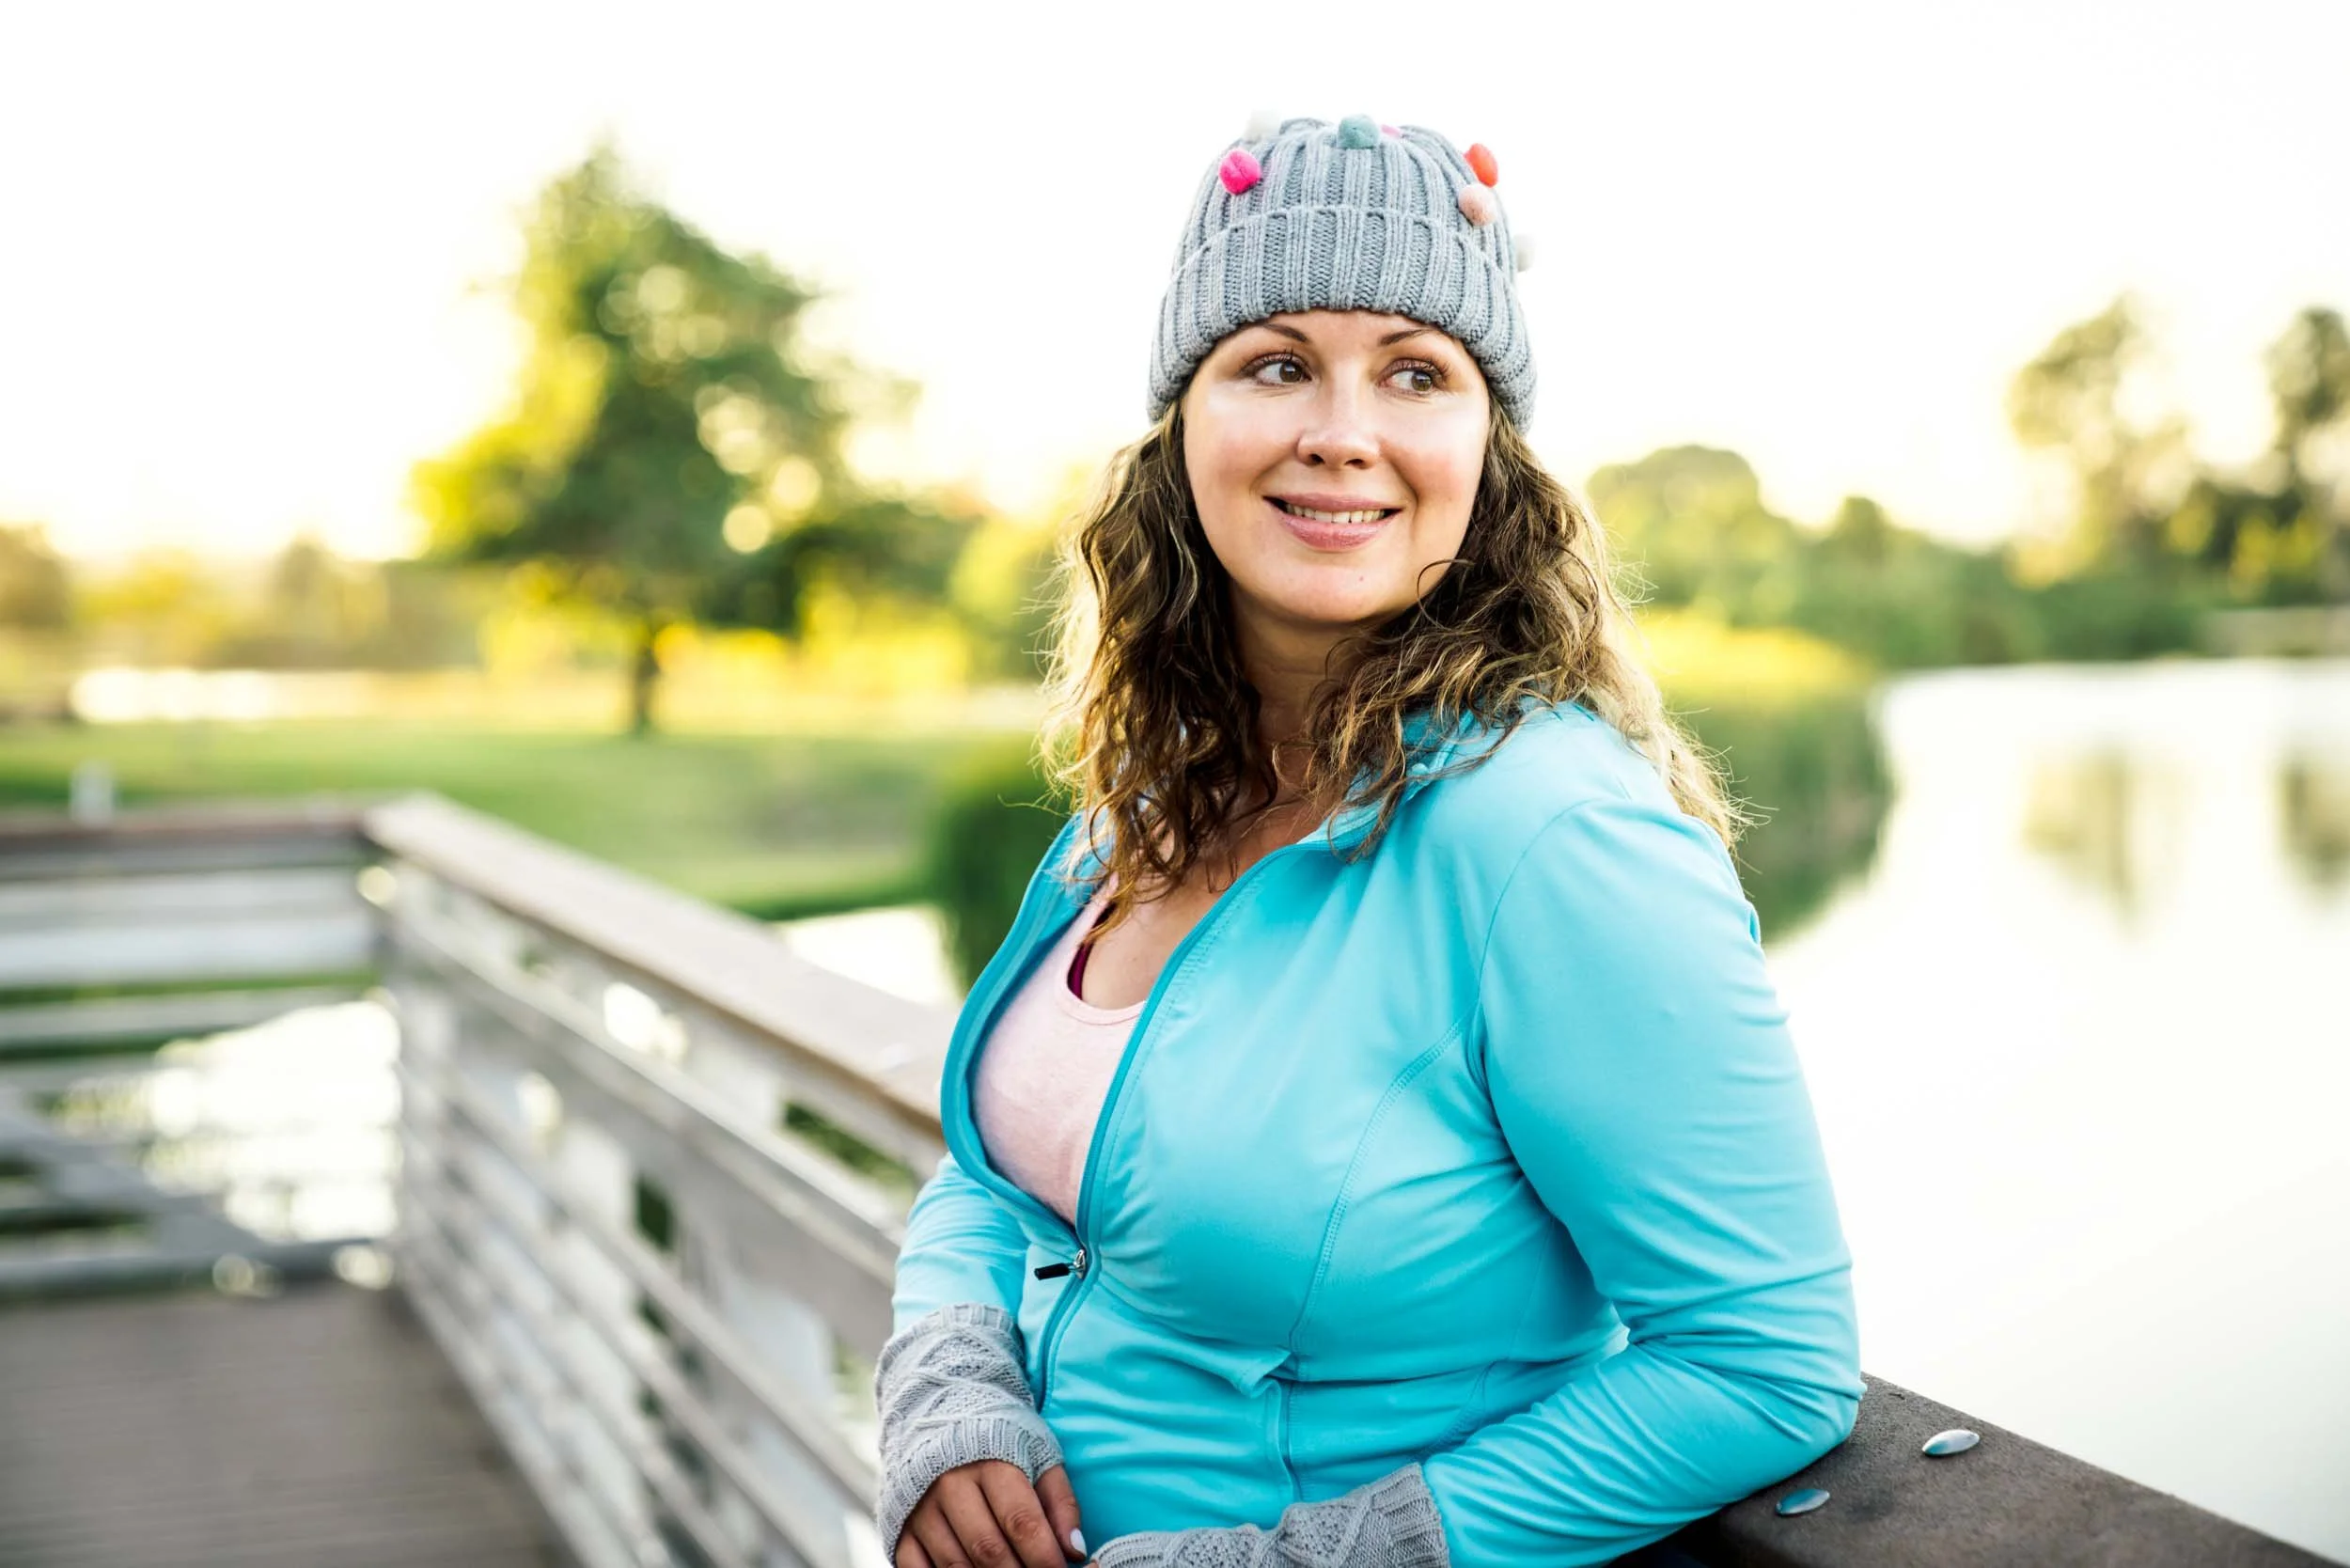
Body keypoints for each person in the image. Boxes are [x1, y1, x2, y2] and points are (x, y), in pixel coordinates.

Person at [870, 114, 1861, 1568]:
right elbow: (1007, 1161)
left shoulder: (1555, 841)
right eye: (1276, 363)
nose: (1342, 428)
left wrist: (1299, 1564)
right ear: (1183, 425)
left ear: (1487, 449)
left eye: (1416, 372)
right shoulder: (1146, 803)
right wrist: (950, 1379)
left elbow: (1764, 1361)